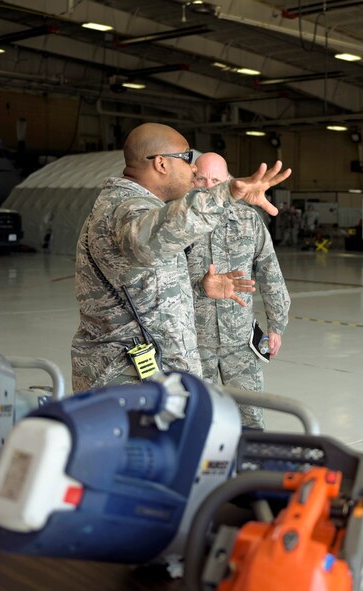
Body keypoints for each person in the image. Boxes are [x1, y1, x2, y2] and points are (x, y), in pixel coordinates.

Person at [71, 123, 290, 392]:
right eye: (187, 158)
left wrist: (200, 288)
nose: (195, 168)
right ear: (161, 164)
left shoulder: (135, 206)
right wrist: (226, 194)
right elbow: (144, 241)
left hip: (147, 380)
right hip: (131, 385)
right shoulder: (128, 209)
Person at [187, 153, 291, 429]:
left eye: (216, 180)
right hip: (193, 344)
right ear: (191, 179)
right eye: (201, 178)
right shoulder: (178, 223)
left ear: (230, 182)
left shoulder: (248, 219)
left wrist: (277, 324)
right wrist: (200, 288)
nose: (208, 186)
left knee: (251, 418)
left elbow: (270, 271)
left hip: (240, 342)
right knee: (197, 420)